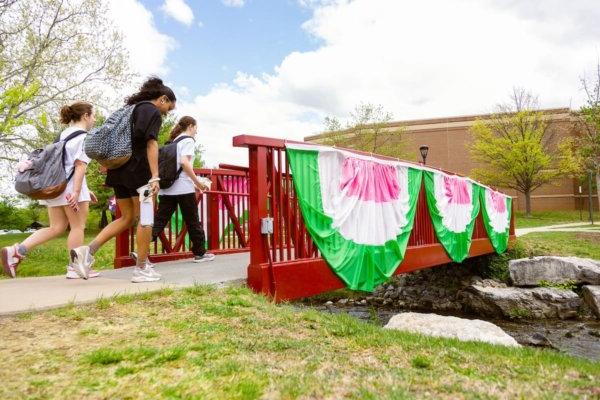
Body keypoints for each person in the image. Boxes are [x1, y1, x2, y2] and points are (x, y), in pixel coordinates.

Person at [70, 77, 176, 283]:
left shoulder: (128, 109)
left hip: (119, 171)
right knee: (146, 218)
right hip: (139, 171)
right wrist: (155, 176)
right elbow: (151, 143)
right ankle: (142, 268)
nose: (166, 113)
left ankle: (87, 251)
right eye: (168, 108)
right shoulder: (151, 111)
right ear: (162, 99)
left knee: (127, 217)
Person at [1, 102, 98, 279]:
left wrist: (87, 188)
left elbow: (65, 164)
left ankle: (17, 250)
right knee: (78, 227)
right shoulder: (85, 137)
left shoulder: (62, 136)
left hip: (53, 188)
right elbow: (79, 165)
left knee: (56, 227)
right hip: (70, 189)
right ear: (85, 116)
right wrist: (77, 192)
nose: (94, 119)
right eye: (93, 115)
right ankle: (75, 267)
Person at [149, 116, 214, 263]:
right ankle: (200, 253)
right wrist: (198, 183)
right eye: (196, 128)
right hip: (184, 188)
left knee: (159, 220)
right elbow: (184, 163)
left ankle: (141, 249)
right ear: (190, 126)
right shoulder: (188, 141)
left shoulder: (172, 142)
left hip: (166, 188)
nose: (196, 131)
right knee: (192, 221)